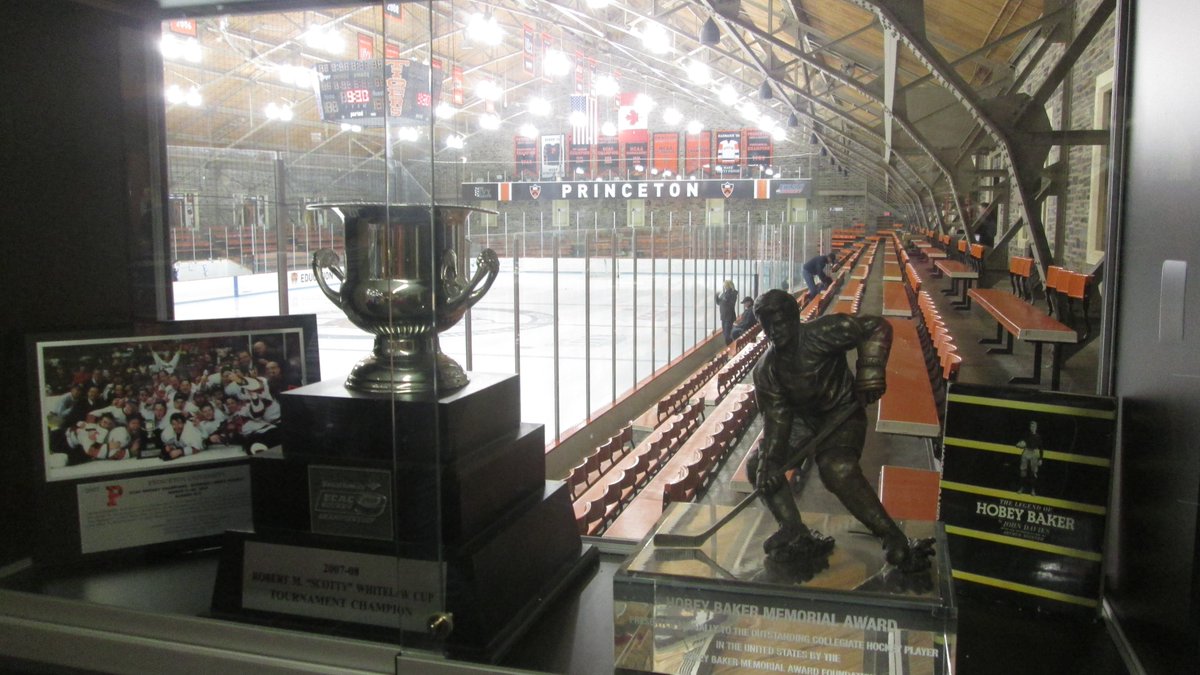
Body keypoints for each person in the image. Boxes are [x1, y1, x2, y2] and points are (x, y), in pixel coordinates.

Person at [748, 289, 933, 573]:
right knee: (758, 466)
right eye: (768, 325)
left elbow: (876, 327)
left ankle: (891, 536)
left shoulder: (827, 331)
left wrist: (871, 371)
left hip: (842, 414)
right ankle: (794, 529)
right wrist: (769, 464)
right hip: (803, 421)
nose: (775, 331)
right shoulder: (766, 371)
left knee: (836, 468)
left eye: (781, 322)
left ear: (795, 318)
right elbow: (777, 420)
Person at [1016, 420, 1043, 495]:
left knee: (1033, 473)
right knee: (1023, 471)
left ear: (1036, 427)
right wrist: (1019, 444)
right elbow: (1020, 443)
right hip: (1026, 451)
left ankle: (1033, 490)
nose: (1032, 427)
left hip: (1034, 453)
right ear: (1030, 427)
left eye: (1034, 426)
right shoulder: (1026, 434)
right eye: (1031, 426)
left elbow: (1041, 448)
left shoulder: (1038, 437)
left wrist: (1040, 459)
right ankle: (1021, 488)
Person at [715, 279, 738, 344]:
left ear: (728, 285)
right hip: (723, 316)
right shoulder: (724, 293)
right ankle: (729, 346)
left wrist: (725, 300)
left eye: (725, 285)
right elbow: (719, 302)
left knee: (727, 334)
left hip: (729, 316)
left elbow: (731, 303)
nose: (724, 287)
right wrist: (716, 296)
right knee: (725, 333)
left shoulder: (733, 293)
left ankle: (730, 346)